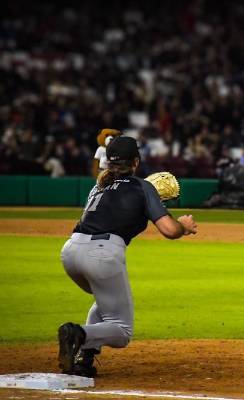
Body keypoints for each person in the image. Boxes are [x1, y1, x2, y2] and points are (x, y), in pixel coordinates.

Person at [57, 136, 198, 377]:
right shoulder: (143, 187)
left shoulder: (98, 185)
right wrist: (183, 225)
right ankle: (79, 334)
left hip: (70, 251)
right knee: (122, 331)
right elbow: (169, 230)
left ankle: (84, 358)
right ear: (136, 161)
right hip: (101, 255)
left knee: (105, 298)